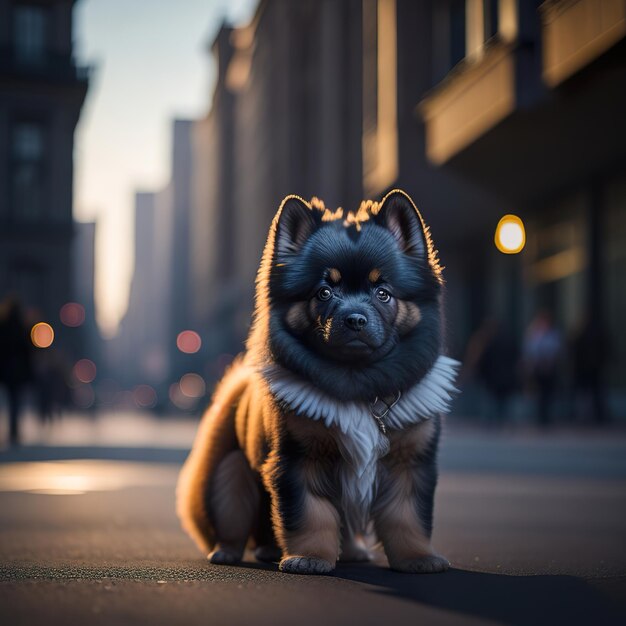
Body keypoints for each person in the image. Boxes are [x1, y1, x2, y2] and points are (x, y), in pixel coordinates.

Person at [0, 296, 34, 445]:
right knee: (16, 400)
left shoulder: (4, 325)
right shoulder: (22, 327)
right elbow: (28, 350)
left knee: (9, 398)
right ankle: (14, 430)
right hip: (18, 370)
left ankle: (13, 429)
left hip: (6, 369)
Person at [523, 310, 563, 426]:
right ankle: (539, 417)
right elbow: (528, 351)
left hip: (549, 369)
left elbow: (557, 351)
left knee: (548, 394)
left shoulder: (553, 334)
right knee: (537, 395)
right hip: (537, 369)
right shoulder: (533, 334)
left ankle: (547, 417)